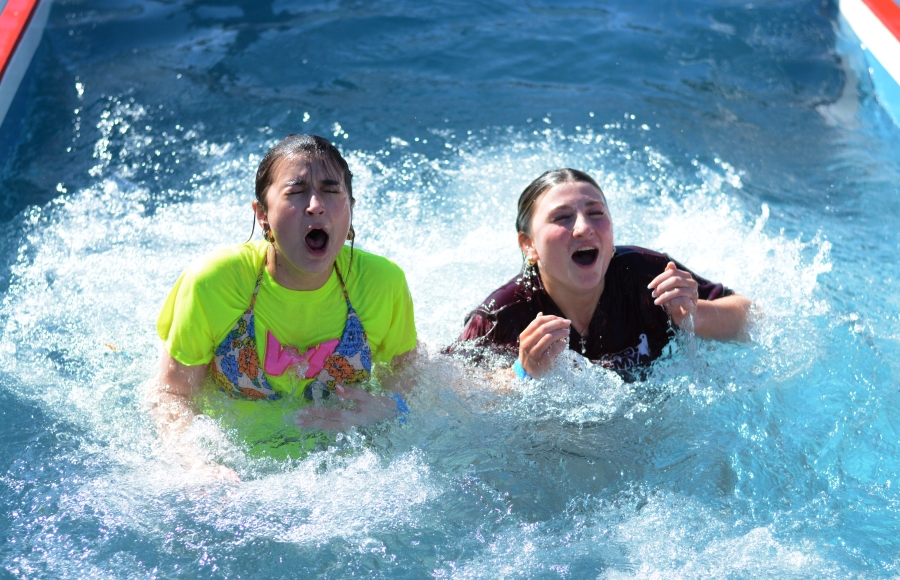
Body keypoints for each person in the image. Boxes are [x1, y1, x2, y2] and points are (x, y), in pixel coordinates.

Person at [149, 134, 417, 477]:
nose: (316, 205)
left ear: (351, 207)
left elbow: (410, 374)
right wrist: (197, 464)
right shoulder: (214, 283)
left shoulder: (382, 284)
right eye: (296, 192)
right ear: (262, 215)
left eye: (332, 191)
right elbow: (170, 393)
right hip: (239, 474)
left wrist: (385, 408)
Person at [456, 168, 750, 380]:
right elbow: (450, 396)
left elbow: (751, 316)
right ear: (529, 245)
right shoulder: (500, 316)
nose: (585, 228)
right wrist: (522, 373)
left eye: (596, 213)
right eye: (561, 217)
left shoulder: (649, 277)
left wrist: (695, 315)